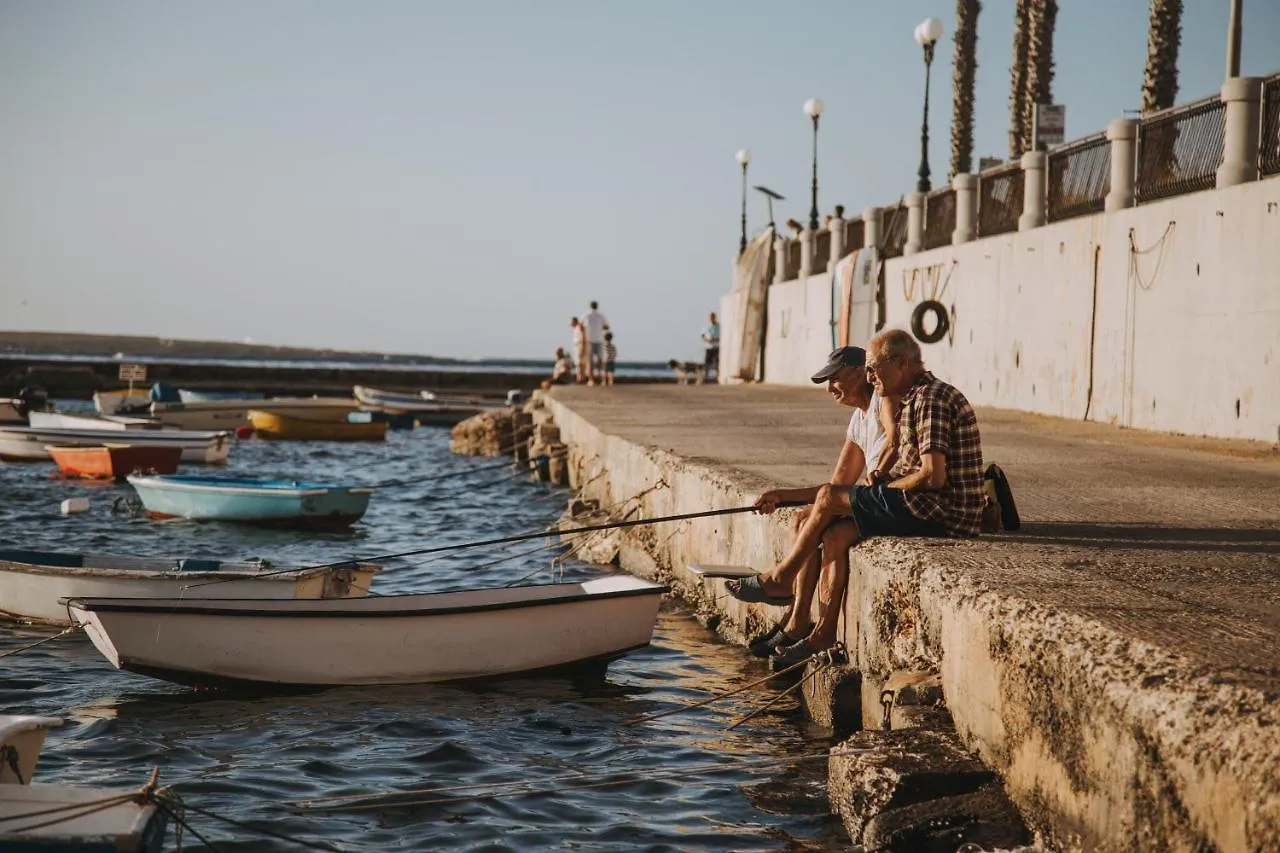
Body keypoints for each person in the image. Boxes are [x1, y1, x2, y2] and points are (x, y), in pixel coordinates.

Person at [728, 328, 985, 668]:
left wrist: (881, 488)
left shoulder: (929, 400)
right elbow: (898, 463)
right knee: (835, 534)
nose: (869, 376)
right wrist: (882, 479)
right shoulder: (914, 397)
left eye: (873, 368)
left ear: (901, 364)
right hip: (927, 504)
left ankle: (780, 579)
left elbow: (932, 476)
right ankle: (822, 631)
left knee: (830, 499)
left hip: (943, 511)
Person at [736, 346, 899, 666]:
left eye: (834, 379)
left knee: (831, 532)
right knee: (801, 521)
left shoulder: (883, 404)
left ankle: (790, 592)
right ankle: (798, 622)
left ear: (857, 372)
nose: (829, 388)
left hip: (889, 499)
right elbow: (837, 484)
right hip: (869, 499)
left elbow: (874, 472)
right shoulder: (858, 419)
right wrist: (783, 496)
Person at [581, 301, 609, 385]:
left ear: (590, 306)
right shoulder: (601, 315)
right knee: (600, 361)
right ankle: (602, 380)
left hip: (589, 340)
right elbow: (606, 326)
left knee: (590, 362)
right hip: (599, 340)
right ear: (597, 306)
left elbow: (580, 325)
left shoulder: (586, 315)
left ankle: (591, 380)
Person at [701, 312, 720, 380]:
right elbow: (702, 335)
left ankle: (718, 377)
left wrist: (715, 339)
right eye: (710, 318)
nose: (711, 319)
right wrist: (706, 340)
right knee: (707, 363)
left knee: (717, 363)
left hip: (716, 346)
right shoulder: (706, 326)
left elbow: (722, 336)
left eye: (713, 317)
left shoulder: (719, 326)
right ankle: (706, 377)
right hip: (708, 347)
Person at [569, 317, 588, 383]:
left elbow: (583, 337)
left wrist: (582, 348)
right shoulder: (577, 328)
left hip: (579, 346)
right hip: (578, 346)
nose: (570, 324)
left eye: (571, 322)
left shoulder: (579, 327)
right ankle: (580, 378)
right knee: (579, 363)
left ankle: (580, 378)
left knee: (580, 363)